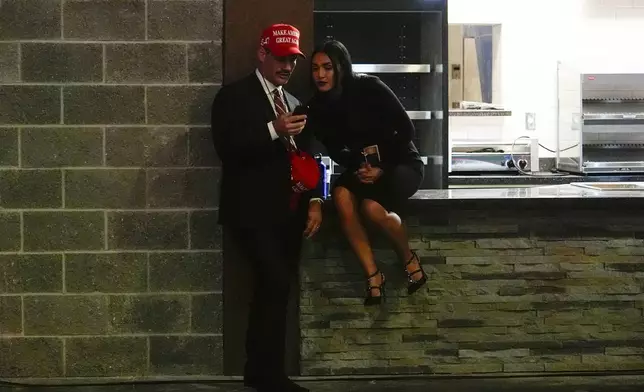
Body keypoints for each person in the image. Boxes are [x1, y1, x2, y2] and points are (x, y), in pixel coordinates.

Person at [210, 23, 323, 392]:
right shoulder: (234, 96)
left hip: (287, 213)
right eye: (280, 58)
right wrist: (273, 129)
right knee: (273, 281)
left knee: (276, 289)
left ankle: (260, 372)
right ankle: (269, 375)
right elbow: (228, 149)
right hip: (250, 212)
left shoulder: (294, 101)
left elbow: (310, 157)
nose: (287, 66)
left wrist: (315, 201)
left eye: (292, 60)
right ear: (263, 54)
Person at [305, 40, 426, 306]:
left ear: (341, 68)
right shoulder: (318, 107)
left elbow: (406, 129)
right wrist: (360, 164)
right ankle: (372, 275)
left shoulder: (369, 87)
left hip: (400, 162)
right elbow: (336, 151)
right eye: (315, 68)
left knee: (371, 208)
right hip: (364, 167)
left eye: (327, 67)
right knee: (340, 194)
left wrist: (382, 166)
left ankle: (408, 259)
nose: (320, 75)